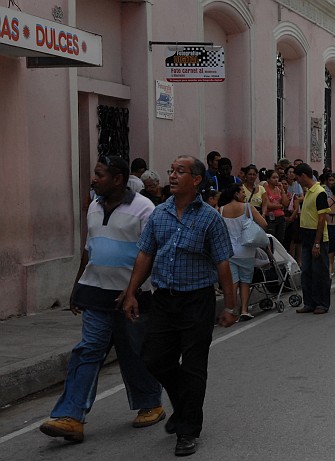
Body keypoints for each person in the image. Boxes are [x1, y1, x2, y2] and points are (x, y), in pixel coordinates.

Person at [39, 156, 165, 444]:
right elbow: (90, 248)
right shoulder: (94, 207)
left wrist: (133, 290)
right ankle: (70, 417)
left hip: (133, 297)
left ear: (118, 179)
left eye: (99, 175)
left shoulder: (145, 208)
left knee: (134, 352)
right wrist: (77, 286)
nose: (93, 179)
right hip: (95, 293)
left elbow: (151, 253)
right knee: (88, 350)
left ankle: (151, 403)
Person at [121, 155, 239, 456]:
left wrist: (230, 305)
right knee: (154, 359)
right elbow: (145, 255)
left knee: (195, 367)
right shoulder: (159, 214)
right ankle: (184, 406)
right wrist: (131, 292)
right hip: (163, 299)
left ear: (196, 180)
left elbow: (222, 262)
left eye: (179, 172)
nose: (171, 176)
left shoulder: (210, 218)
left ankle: (188, 430)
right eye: (171, 171)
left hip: (197, 300)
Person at [219, 184, 268, 321]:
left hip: (229, 251)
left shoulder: (221, 210)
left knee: (233, 281)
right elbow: (264, 224)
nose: (245, 195)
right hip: (246, 250)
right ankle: (244, 310)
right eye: (242, 192)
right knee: (245, 281)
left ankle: (232, 310)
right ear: (235, 194)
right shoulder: (247, 208)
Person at [293, 162, 331, 314]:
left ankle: (322, 303)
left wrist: (317, 242)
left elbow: (322, 219)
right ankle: (309, 302)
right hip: (306, 236)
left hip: (317, 237)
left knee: (320, 272)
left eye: (297, 178)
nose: (297, 181)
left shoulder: (319, 192)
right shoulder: (308, 192)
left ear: (303, 176)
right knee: (307, 272)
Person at [263, 169, 289, 242]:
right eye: (273, 178)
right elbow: (269, 205)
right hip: (270, 218)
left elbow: (286, 203)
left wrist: (283, 191)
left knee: (280, 239)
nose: (276, 180)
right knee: (271, 239)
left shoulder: (279, 189)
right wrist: (281, 206)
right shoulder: (265, 189)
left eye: (277, 177)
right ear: (268, 179)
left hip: (281, 217)